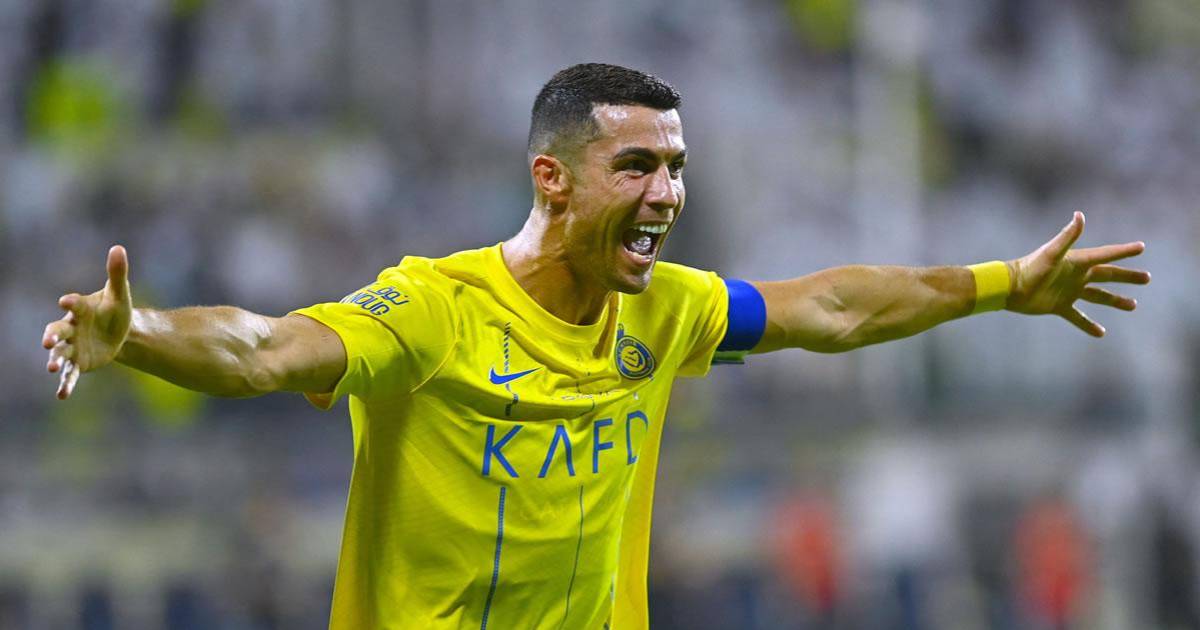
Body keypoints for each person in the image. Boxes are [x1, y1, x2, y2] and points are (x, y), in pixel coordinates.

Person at [40, 63, 1150, 629]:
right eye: (637, 167)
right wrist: (138, 335)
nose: (666, 193)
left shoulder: (663, 310)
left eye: (676, 167)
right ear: (552, 179)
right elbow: (266, 350)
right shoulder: (433, 308)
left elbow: (834, 308)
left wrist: (1002, 285)